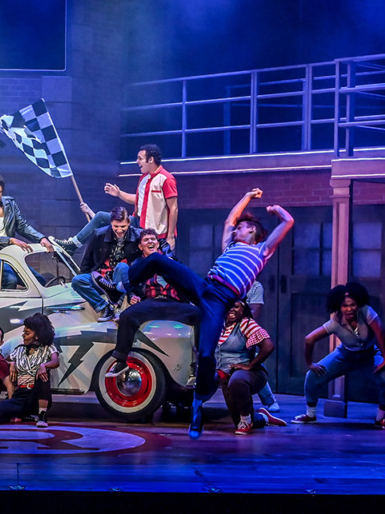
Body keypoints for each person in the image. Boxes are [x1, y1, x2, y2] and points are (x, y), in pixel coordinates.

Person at [102, 188, 293, 439]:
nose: (237, 230)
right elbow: (229, 221)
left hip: (219, 301)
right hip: (204, 286)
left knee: (205, 354)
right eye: (238, 228)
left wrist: (275, 209)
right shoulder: (230, 246)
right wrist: (246, 196)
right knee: (158, 260)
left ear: (254, 232)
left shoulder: (261, 251)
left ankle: (198, 405)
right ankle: (121, 287)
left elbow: (288, 221)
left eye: (243, 228)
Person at [291, 281, 385, 430]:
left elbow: (381, 334)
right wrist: (310, 363)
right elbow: (309, 339)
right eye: (345, 306)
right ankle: (310, 414)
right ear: (339, 307)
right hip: (345, 355)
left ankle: (380, 418)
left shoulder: (366, 312)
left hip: (369, 355)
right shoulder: (335, 322)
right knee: (312, 376)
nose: (349, 309)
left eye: (352, 305)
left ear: (358, 304)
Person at [53, 144, 178, 254]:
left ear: (151, 159)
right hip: (137, 223)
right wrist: (118, 193)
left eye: (140, 159)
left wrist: (170, 237)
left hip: (155, 232)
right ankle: (74, 244)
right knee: (101, 217)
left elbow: (173, 208)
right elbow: (140, 200)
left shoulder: (166, 179)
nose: (137, 161)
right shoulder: (144, 178)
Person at [104, 228, 199, 363]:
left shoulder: (171, 260)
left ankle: (201, 359)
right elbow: (131, 286)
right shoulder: (137, 265)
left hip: (174, 303)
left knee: (199, 313)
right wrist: (132, 295)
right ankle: (120, 360)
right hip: (152, 303)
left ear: (158, 244)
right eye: (146, 240)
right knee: (127, 316)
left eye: (153, 239)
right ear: (140, 246)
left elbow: (186, 281)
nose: (150, 242)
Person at [0, 173, 54, 290]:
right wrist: (10, 240)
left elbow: (22, 226)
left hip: (8, 254)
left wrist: (41, 238)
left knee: (38, 281)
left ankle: (25, 306)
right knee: (10, 280)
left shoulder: (10, 204)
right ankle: (2, 308)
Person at [214, 299, 286, 435]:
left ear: (243, 309)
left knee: (238, 381)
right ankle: (263, 417)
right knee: (237, 419)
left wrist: (249, 366)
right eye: (229, 306)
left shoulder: (246, 324)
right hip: (226, 378)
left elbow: (268, 346)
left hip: (250, 374)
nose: (232, 309)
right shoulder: (220, 325)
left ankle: (246, 421)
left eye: (236, 306)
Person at [0, 313, 59, 428]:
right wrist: (12, 363)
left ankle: (42, 415)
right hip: (20, 396)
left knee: (42, 374)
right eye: (24, 332)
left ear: (37, 336)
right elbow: (1, 361)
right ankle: (24, 415)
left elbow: (55, 362)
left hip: (37, 395)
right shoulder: (19, 350)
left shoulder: (48, 347)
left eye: (27, 333)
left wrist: (43, 365)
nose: (23, 336)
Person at [70, 206, 142, 321]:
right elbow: (87, 258)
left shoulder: (138, 236)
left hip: (121, 280)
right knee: (77, 281)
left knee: (122, 266)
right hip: (102, 278)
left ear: (129, 223)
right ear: (111, 223)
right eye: (116, 226)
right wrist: (82, 274)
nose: (119, 230)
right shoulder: (99, 234)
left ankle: (117, 308)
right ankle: (105, 308)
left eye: (123, 226)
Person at [243, 280, 280, 412]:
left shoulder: (255, 286)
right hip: (218, 328)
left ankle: (269, 400)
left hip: (241, 330)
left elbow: (254, 313)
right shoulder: (219, 282)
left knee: (251, 360)